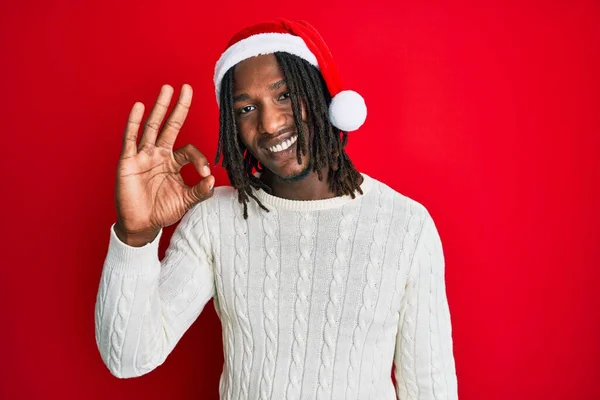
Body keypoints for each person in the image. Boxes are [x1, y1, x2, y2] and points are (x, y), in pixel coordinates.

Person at [94, 18, 458, 400]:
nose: (269, 123)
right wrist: (135, 235)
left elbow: (430, 389)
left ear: (322, 96)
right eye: (247, 108)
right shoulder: (215, 220)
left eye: (284, 95)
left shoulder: (406, 225)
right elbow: (128, 357)